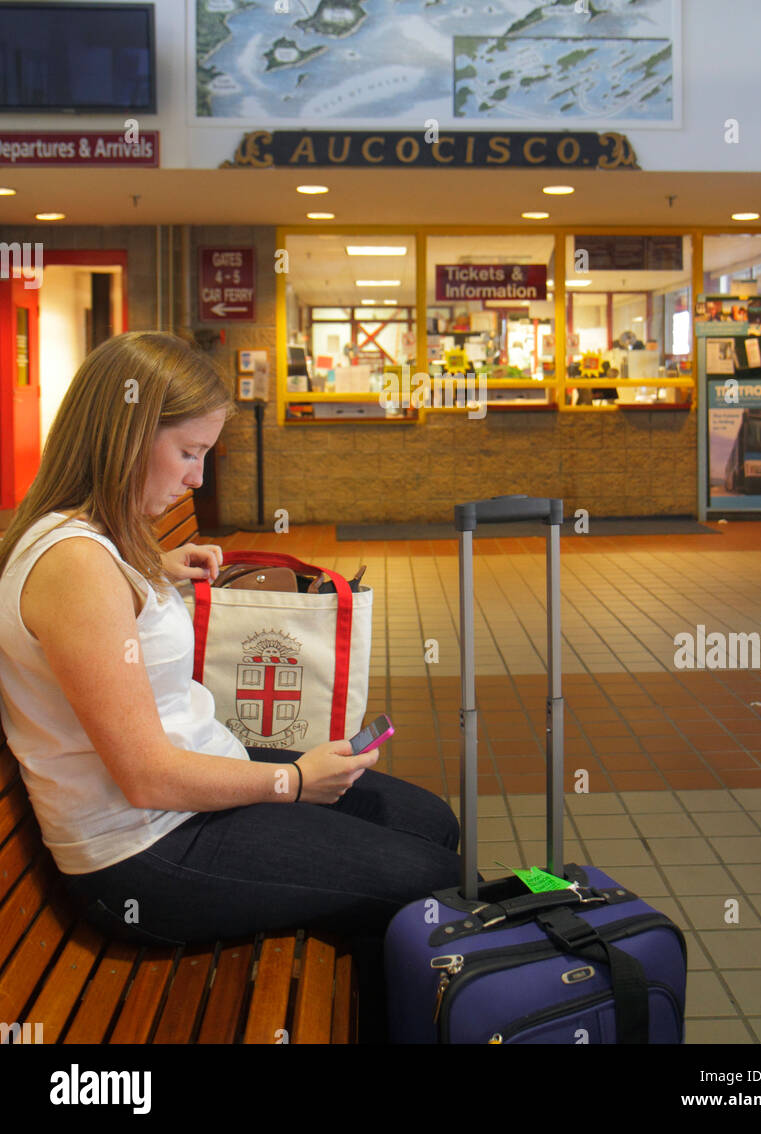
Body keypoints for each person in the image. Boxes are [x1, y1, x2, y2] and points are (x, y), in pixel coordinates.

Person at [0, 331, 461, 1042]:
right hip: (145, 854)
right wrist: (296, 783)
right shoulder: (75, 568)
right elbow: (147, 776)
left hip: (189, 790)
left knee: (429, 822)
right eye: (189, 453)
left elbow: (98, 615)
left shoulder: (91, 541)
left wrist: (153, 566)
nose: (196, 480)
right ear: (123, 436)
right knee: (428, 886)